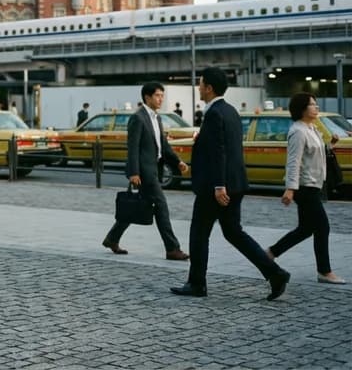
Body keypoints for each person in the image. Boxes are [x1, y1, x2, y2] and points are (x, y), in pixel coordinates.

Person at [170, 67, 290, 300]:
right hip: (236, 183)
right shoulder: (231, 111)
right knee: (234, 233)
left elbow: (219, 151)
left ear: (209, 88)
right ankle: (275, 273)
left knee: (199, 233)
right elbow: (227, 145)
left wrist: (218, 185)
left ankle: (197, 284)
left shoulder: (214, 113)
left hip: (216, 187)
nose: (198, 87)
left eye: (200, 83)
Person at [102, 82, 190, 260]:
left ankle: (112, 239)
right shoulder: (138, 118)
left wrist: (178, 161)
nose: (161, 99)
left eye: (162, 96)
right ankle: (172, 249)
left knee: (137, 206)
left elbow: (163, 145)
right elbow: (133, 147)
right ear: (147, 97)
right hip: (144, 172)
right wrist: (134, 172)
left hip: (155, 169)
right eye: (157, 95)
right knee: (161, 206)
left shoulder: (157, 118)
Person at [266, 93, 346, 285]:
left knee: (305, 229)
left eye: (316, 104)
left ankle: (270, 253)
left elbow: (314, 154)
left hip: (313, 185)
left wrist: (330, 145)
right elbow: (293, 162)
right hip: (304, 187)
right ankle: (324, 271)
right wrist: (290, 189)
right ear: (302, 109)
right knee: (322, 227)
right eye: (312, 104)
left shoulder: (312, 128)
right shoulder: (298, 132)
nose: (316, 107)